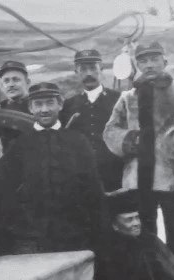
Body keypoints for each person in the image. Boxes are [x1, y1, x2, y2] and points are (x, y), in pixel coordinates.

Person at [104, 41, 174, 273]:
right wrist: (129, 140)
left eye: (154, 59)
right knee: (144, 237)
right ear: (137, 64)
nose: (149, 64)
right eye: (143, 60)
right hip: (137, 179)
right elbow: (110, 131)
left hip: (172, 179)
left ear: (165, 61)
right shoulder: (128, 97)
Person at [0, 82, 106, 255]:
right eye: (38, 104)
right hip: (32, 238)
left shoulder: (78, 142)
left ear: (60, 105)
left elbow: (93, 188)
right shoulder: (19, 145)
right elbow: (5, 191)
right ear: (30, 108)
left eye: (50, 103)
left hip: (75, 235)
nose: (44, 109)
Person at [59, 49, 124, 194]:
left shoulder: (119, 100)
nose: (89, 73)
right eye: (83, 69)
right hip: (82, 178)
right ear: (77, 72)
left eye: (93, 68)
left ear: (101, 69)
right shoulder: (68, 105)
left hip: (116, 176)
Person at [99, 191, 174, 280]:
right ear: (115, 225)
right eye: (129, 220)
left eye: (137, 217)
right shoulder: (108, 251)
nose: (136, 223)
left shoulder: (152, 242)